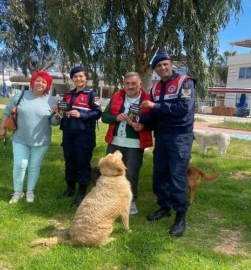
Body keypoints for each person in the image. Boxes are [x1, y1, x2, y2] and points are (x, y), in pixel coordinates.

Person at [140, 52, 197, 237]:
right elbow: (154, 115)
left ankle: (180, 216)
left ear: (171, 64)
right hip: (162, 136)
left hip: (180, 137)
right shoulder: (156, 88)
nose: (162, 68)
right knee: (160, 174)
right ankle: (164, 207)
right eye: (158, 66)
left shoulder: (185, 82)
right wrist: (142, 122)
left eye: (165, 64)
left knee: (177, 177)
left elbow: (183, 109)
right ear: (155, 69)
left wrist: (155, 107)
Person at [0, 71, 60, 204]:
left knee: (34, 166)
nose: (40, 83)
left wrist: (56, 116)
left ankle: (30, 191)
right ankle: (18, 192)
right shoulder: (20, 95)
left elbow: (54, 123)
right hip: (20, 137)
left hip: (41, 140)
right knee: (19, 164)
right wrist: (2, 128)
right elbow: (7, 112)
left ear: (47, 85)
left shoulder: (51, 100)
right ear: (32, 82)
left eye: (44, 82)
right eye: (38, 80)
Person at [101, 72, 153, 215]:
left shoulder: (148, 99)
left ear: (140, 84)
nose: (130, 86)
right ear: (124, 84)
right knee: (110, 171)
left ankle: (131, 202)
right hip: (115, 142)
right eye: (127, 83)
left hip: (135, 145)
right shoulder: (117, 96)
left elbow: (155, 120)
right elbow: (104, 117)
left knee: (131, 174)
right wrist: (115, 117)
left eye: (133, 83)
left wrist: (144, 126)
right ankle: (110, 200)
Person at [58, 66, 102, 206]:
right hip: (68, 133)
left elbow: (97, 113)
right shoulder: (69, 94)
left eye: (81, 76)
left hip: (84, 135)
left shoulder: (92, 94)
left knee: (83, 163)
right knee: (69, 161)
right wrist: (60, 114)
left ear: (86, 78)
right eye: (75, 76)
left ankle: (82, 192)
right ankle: (70, 188)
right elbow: (64, 111)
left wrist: (81, 114)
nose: (78, 79)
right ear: (72, 79)